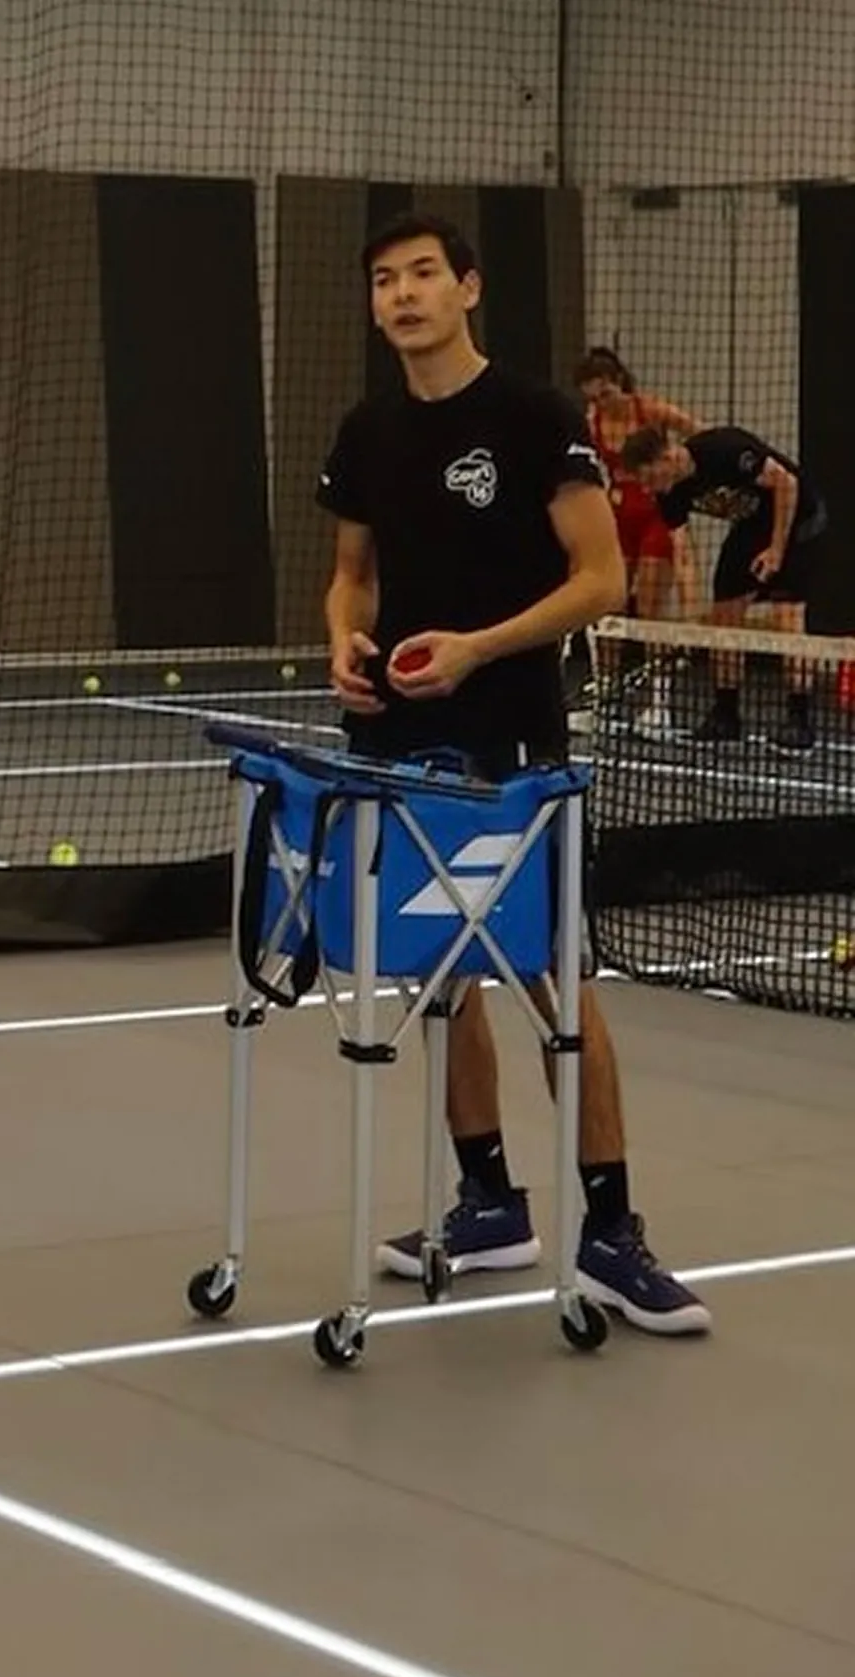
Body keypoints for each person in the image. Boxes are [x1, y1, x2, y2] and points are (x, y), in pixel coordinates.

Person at [316, 211, 708, 1336]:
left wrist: (482, 648)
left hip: (514, 743)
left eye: (424, 274)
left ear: (469, 289)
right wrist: (345, 642)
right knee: (440, 981)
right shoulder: (367, 430)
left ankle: (614, 1234)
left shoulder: (537, 419)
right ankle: (489, 1205)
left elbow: (601, 583)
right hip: (397, 741)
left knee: (555, 983)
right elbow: (350, 576)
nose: (404, 295)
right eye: (385, 279)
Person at [620, 420, 832, 749]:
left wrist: (776, 551)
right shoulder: (669, 495)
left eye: (649, 478)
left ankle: (799, 720)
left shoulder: (724, 449)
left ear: (668, 458)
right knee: (723, 619)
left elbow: (786, 484)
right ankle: (725, 715)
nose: (648, 489)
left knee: (788, 619)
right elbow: (683, 553)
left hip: (798, 520)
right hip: (750, 527)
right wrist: (691, 618)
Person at [572, 348, 704, 731]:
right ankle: (605, 699)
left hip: (656, 516)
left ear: (620, 383)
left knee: (649, 606)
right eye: (593, 398)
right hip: (618, 518)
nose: (600, 403)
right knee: (609, 606)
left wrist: (685, 477)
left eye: (605, 395)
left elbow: (703, 436)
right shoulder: (591, 423)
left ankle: (658, 702)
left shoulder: (652, 411)